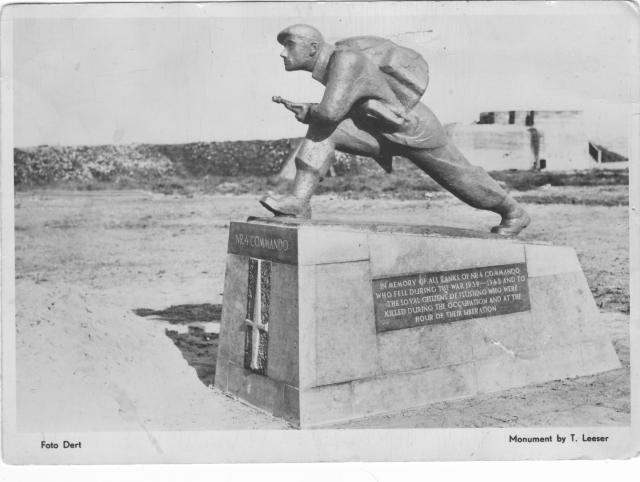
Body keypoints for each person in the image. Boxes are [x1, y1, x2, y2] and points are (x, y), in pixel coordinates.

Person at [260, 24, 531, 236]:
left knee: (461, 180)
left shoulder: (346, 60)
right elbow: (338, 110)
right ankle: (298, 201)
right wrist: (312, 113)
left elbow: (331, 112)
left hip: (411, 127)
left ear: (312, 48)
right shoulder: (334, 61)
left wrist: (311, 112)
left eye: (289, 45)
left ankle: (513, 211)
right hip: (377, 128)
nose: (283, 53)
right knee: (324, 132)